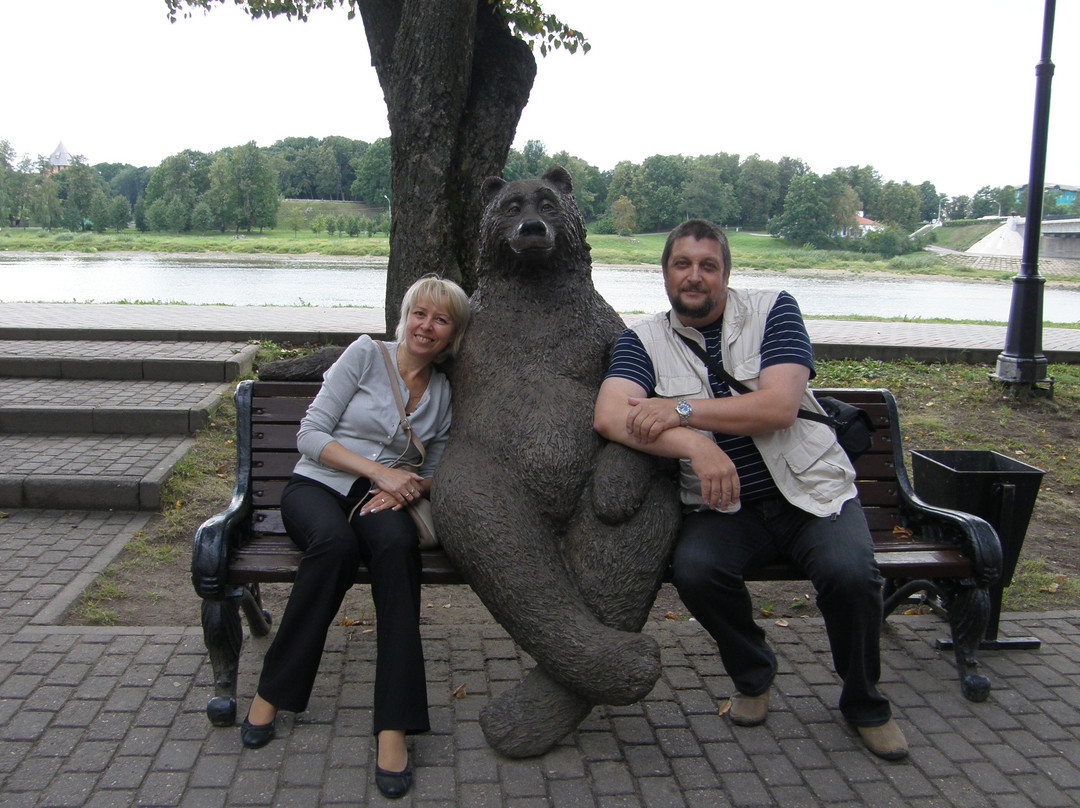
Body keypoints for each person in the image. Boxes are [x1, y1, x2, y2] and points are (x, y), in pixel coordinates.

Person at [593, 219, 908, 761]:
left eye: (707, 266)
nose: (695, 277)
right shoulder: (641, 340)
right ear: (665, 273)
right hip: (726, 505)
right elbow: (608, 415)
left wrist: (680, 410)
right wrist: (696, 445)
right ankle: (754, 672)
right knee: (696, 571)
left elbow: (778, 407)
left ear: (726, 274)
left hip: (811, 495)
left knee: (851, 575)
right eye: (682, 265)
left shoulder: (773, 310)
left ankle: (864, 701)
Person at [240, 275, 471, 798]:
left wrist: (406, 488)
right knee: (335, 548)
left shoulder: (442, 392)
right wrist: (380, 471)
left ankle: (394, 726)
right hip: (316, 488)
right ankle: (273, 692)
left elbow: (436, 466)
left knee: (396, 548)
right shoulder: (366, 355)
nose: (426, 326)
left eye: (440, 319)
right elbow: (310, 434)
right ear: (405, 316)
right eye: (419, 313)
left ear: (452, 334)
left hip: (382, 500)